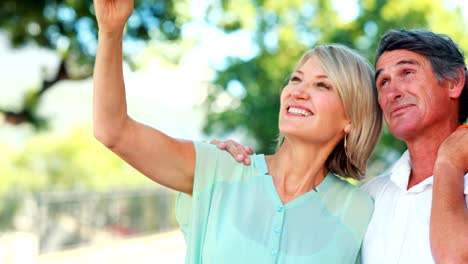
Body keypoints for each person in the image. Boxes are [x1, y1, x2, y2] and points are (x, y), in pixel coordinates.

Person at [92, 1, 383, 263]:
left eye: (322, 85)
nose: (298, 91)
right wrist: (111, 31)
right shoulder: (218, 168)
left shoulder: (360, 211)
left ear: (351, 119)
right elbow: (113, 130)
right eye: (296, 79)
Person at [215, 29, 468, 263]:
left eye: (408, 73)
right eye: (383, 83)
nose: (393, 92)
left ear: (454, 82)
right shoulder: (368, 199)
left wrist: (448, 164)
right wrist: (234, 168)